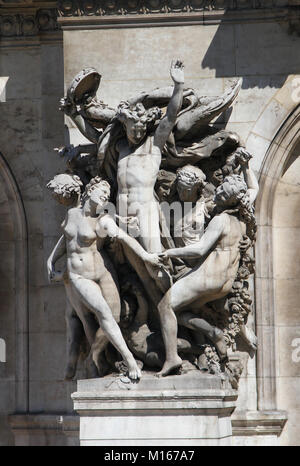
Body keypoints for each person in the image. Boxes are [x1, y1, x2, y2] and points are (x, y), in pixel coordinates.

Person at [47, 176, 161, 380]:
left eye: (107, 196)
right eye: (101, 193)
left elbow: (124, 238)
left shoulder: (103, 220)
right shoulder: (72, 214)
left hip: (102, 271)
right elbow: (66, 239)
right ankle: (129, 360)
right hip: (79, 277)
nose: (104, 198)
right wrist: (51, 260)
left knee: (114, 317)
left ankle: (95, 356)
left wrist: (145, 256)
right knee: (103, 314)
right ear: (90, 191)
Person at [156, 173, 257, 376]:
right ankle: (215, 334)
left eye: (222, 191)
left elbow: (200, 250)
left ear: (229, 199)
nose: (217, 191)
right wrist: (246, 167)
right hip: (224, 285)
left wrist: (168, 252)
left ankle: (171, 358)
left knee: (164, 306)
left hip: (207, 278)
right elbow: (254, 190)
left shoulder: (220, 220)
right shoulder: (241, 221)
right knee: (182, 313)